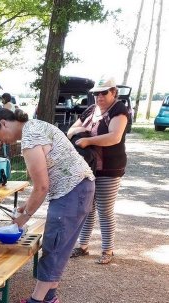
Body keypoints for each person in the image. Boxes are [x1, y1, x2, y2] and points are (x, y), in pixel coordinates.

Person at [0, 108, 95, 303]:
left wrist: (24, 218)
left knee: (53, 247)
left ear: (4, 123)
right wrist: (26, 206)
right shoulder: (36, 126)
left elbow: (42, 186)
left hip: (72, 192)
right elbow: (43, 185)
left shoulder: (30, 138)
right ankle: (50, 296)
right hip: (81, 188)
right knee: (61, 245)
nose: (0, 142)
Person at [67, 77, 129, 264]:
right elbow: (72, 129)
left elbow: (114, 137)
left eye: (104, 92)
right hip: (89, 168)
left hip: (109, 168)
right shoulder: (91, 110)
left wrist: (88, 140)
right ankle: (83, 246)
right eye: (96, 93)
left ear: (114, 92)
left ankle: (107, 250)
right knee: (87, 208)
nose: (99, 96)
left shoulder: (119, 110)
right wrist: (78, 133)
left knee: (105, 209)